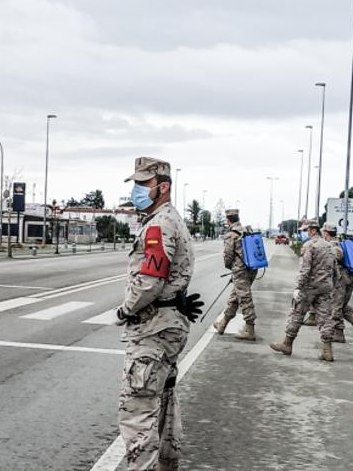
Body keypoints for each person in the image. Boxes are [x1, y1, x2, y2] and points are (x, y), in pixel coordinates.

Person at [115, 156, 198, 471]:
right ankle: (168, 462)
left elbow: (150, 280)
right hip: (170, 324)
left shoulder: (159, 224)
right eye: (135, 183)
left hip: (153, 328)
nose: (137, 189)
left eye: (143, 183)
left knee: (137, 412)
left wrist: (125, 309)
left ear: (163, 187)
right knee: (163, 402)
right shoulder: (171, 219)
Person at [270, 219, 337, 362]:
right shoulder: (329, 246)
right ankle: (327, 350)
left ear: (313, 230)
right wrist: (331, 284)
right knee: (325, 318)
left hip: (309, 287)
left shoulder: (309, 246)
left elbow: (305, 270)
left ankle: (287, 344)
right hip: (326, 287)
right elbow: (335, 270)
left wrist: (298, 287)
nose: (305, 233)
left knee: (297, 314)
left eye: (306, 230)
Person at [213, 208, 258, 341]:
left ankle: (250, 329)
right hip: (252, 268)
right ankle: (222, 324)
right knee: (235, 297)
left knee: (244, 297)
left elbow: (228, 256)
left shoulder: (231, 235)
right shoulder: (246, 231)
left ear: (228, 220)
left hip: (240, 270)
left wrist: (231, 267)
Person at [323, 224, 353, 343]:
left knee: (335, 306)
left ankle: (339, 333)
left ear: (326, 232)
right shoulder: (340, 242)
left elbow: (338, 255)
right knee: (342, 305)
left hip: (340, 278)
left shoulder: (333, 244)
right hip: (348, 276)